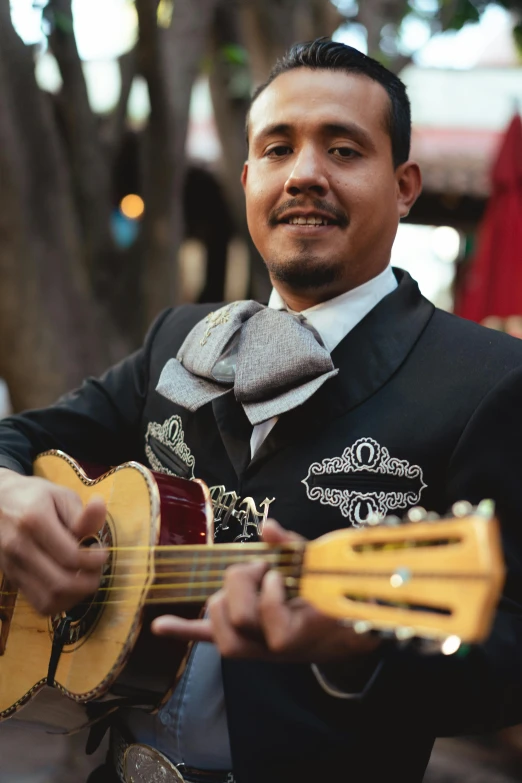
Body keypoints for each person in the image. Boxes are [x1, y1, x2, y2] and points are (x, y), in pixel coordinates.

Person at [1, 37, 522, 783]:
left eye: (343, 150)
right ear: (249, 178)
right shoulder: (179, 337)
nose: (305, 173)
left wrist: (360, 648)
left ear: (404, 185)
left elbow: (509, 651)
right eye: (279, 149)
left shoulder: (491, 381)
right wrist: (8, 490)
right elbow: (21, 435)